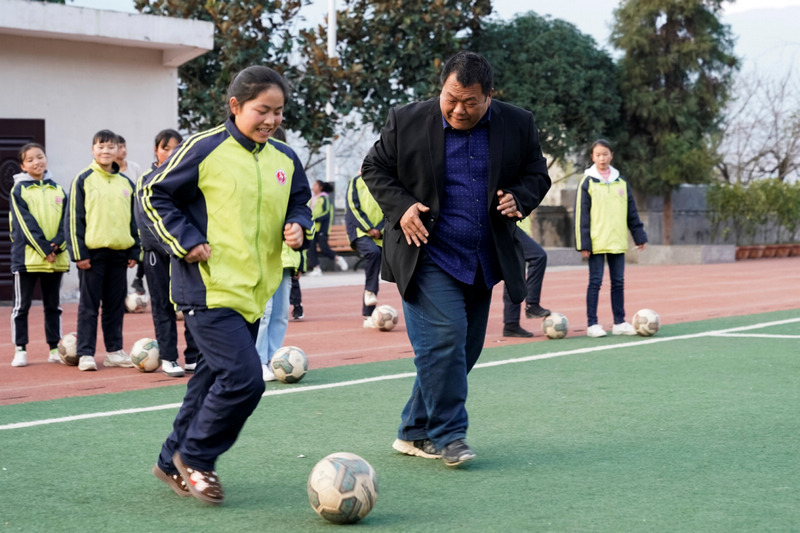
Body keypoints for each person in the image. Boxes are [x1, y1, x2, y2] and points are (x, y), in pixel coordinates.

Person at [361, 51, 551, 467]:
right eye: (451, 98)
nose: (458, 109)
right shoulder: (406, 119)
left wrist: (521, 197)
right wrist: (402, 206)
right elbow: (374, 167)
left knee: (464, 349)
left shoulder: (517, 122)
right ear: (441, 87)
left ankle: (413, 430)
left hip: (482, 256)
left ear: (489, 96)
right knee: (445, 339)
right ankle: (448, 436)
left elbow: (538, 174)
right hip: (426, 251)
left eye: (470, 102)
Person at [139, 66, 312, 505]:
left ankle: (169, 460)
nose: (271, 120)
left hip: (254, 293)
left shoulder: (285, 159)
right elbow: (152, 194)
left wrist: (298, 224)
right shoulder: (204, 148)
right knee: (245, 379)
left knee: (210, 380)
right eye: (262, 110)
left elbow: (299, 201)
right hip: (208, 290)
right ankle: (197, 458)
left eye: (278, 111)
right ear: (235, 107)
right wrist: (187, 240)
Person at [64, 130, 139, 371]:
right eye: (100, 147)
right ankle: (86, 353)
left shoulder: (126, 183)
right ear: (93, 150)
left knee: (115, 305)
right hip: (92, 256)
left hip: (119, 253)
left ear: (119, 151)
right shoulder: (83, 179)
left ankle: (114, 351)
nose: (106, 151)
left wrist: (134, 250)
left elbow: (133, 219)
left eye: (110, 147)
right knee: (89, 305)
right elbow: (74, 219)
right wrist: (79, 254)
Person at [134, 128, 199, 377]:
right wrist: (168, 245)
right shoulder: (147, 178)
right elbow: (144, 219)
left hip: (184, 252)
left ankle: (193, 356)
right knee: (162, 305)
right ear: (156, 150)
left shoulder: (187, 178)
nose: (171, 153)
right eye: (165, 148)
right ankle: (169, 357)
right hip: (158, 252)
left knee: (191, 303)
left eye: (176, 148)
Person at [575, 139, 647, 338]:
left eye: (605, 154)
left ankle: (619, 322)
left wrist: (639, 236)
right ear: (592, 157)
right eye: (597, 155)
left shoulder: (621, 182)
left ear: (611, 155)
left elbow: (631, 211)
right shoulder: (587, 182)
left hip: (616, 241)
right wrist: (583, 244)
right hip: (596, 243)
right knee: (595, 282)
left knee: (618, 282)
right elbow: (581, 215)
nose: (602, 158)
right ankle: (592, 324)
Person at [254, 126, 310, 381]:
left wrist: (300, 259)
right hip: (262, 258)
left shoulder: (288, 173)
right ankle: (257, 360)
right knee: (263, 313)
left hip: (287, 258)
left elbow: (302, 211)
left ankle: (274, 358)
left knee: (279, 313)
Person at [9, 143, 69, 367]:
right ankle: (20, 349)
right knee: (21, 306)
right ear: (23, 165)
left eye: (40, 157)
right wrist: (45, 249)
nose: (37, 162)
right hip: (28, 259)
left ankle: (54, 348)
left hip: (55, 259)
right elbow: (25, 225)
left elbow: (66, 220)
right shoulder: (19, 190)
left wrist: (57, 247)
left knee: (53, 306)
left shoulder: (59, 190)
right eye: (31, 159)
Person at [345, 170, 385, 328]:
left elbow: (388, 207)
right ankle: (369, 292)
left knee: (376, 267)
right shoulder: (355, 182)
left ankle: (368, 314)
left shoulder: (383, 182)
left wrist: (380, 228)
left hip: (379, 234)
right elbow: (353, 207)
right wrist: (369, 228)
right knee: (373, 254)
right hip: (361, 231)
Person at [501, 216, 551, 338]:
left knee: (513, 273)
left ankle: (511, 324)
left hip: (512, 227)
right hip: (508, 226)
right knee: (538, 256)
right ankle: (532, 305)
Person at [306, 179, 348, 276]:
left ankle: (338, 258)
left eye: (315, 184)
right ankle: (317, 268)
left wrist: (315, 219)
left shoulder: (324, 199)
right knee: (311, 248)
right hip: (312, 228)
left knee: (324, 248)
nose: (313, 186)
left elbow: (327, 214)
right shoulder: (312, 199)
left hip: (322, 228)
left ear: (320, 187)